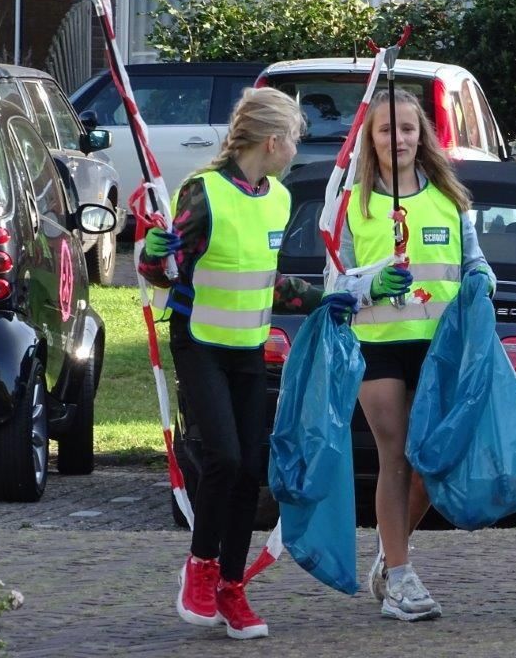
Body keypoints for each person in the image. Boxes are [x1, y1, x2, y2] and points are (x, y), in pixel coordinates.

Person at [139, 87, 355, 640]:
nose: (297, 150)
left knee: (251, 469)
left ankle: (232, 587)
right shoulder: (203, 193)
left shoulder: (279, 198)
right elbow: (166, 269)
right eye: (296, 139)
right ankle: (200, 566)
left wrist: (324, 298)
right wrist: (152, 256)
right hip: (200, 343)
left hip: (248, 347)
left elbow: (268, 281)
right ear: (273, 141)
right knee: (225, 458)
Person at [333, 89, 495, 622]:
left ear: (422, 135)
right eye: (387, 130)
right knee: (396, 457)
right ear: (371, 138)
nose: (399, 139)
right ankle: (401, 578)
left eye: (408, 129)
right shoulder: (352, 205)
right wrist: (371, 286)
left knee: (430, 461)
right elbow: (334, 283)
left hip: (437, 349)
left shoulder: (450, 198)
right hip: (377, 346)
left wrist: (482, 281)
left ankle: (389, 552)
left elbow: (476, 263)